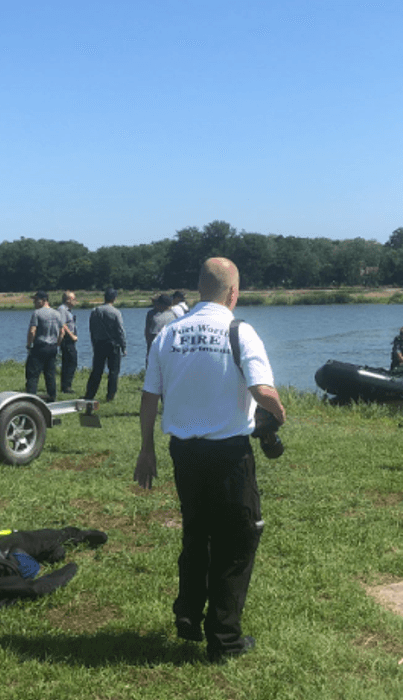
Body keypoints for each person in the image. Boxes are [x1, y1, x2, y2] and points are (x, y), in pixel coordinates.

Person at [135, 257, 286, 664]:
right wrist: (280, 414)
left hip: (184, 454)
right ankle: (225, 639)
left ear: (200, 289)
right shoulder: (240, 330)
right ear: (234, 293)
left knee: (197, 532)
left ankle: (188, 613)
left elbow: (150, 396)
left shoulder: (168, 333)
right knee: (236, 541)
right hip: (229, 455)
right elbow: (262, 389)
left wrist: (145, 450)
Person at [84, 288, 126, 402]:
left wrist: (93, 343)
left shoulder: (95, 311)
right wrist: (123, 346)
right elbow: (120, 331)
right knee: (113, 371)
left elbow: (92, 329)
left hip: (99, 344)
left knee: (96, 370)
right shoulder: (116, 312)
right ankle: (110, 395)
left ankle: (90, 394)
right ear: (114, 298)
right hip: (113, 344)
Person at [25, 291, 64, 401]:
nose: (34, 302)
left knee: (32, 375)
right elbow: (62, 332)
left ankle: (31, 398)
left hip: (40, 346)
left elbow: (32, 331)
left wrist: (29, 345)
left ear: (42, 300)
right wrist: (58, 344)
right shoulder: (57, 314)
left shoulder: (37, 313)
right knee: (50, 374)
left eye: (35, 300)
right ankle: (52, 398)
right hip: (52, 347)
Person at [144, 293, 178, 365]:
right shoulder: (174, 314)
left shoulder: (152, 314)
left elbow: (148, 334)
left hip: (157, 346)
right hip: (168, 349)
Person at [57, 291, 80, 393]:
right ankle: (66, 387)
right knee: (71, 361)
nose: (75, 301)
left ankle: (66, 386)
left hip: (70, 340)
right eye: (74, 299)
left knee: (69, 362)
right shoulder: (62, 309)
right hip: (66, 340)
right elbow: (62, 324)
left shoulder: (68, 311)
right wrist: (72, 335)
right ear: (68, 299)